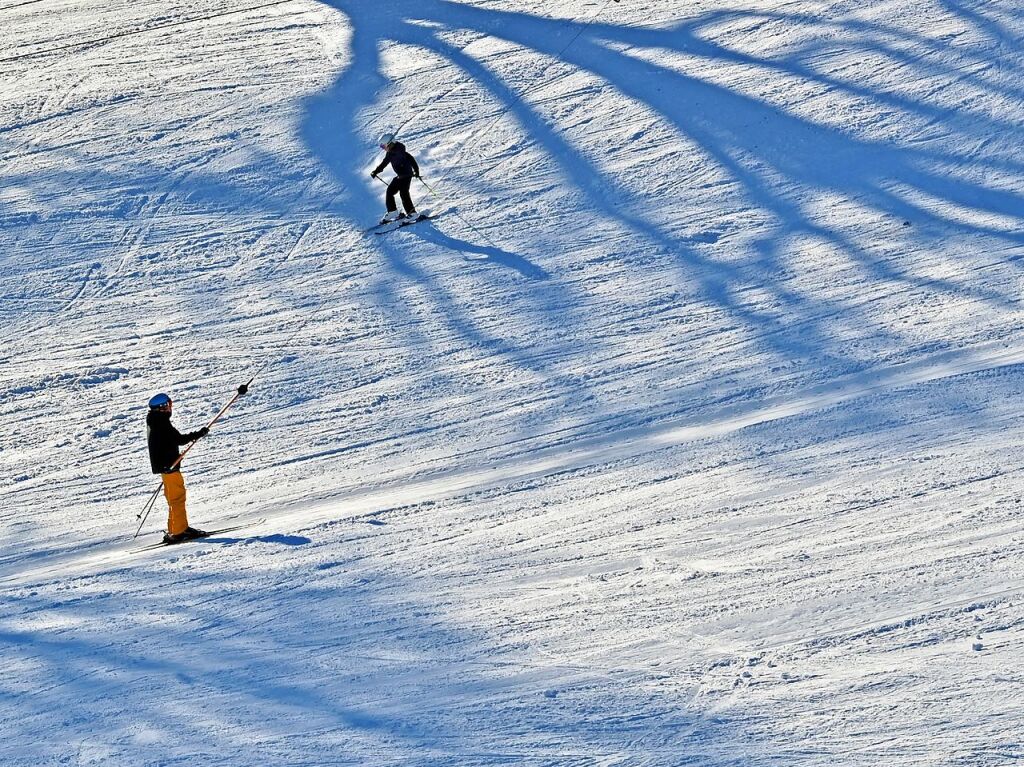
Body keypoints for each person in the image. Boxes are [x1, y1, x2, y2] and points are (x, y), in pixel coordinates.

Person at [146, 393, 210, 544]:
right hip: (169, 466)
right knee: (177, 498)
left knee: (173, 498)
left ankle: (176, 528)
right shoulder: (161, 423)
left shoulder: (155, 420)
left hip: (166, 466)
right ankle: (179, 531)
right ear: (162, 408)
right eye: (168, 405)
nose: (170, 408)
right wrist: (199, 434)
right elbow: (179, 439)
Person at [370, 132, 420, 224]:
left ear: (390, 143)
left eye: (384, 146)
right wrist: (376, 171)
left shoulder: (400, 152)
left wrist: (416, 171)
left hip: (406, 175)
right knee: (390, 191)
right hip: (399, 176)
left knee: (403, 193)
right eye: (382, 147)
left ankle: (412, 214)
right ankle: (393, 212)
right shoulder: (390, 153)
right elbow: (384, 163)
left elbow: (411, 159)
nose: (383, 149)